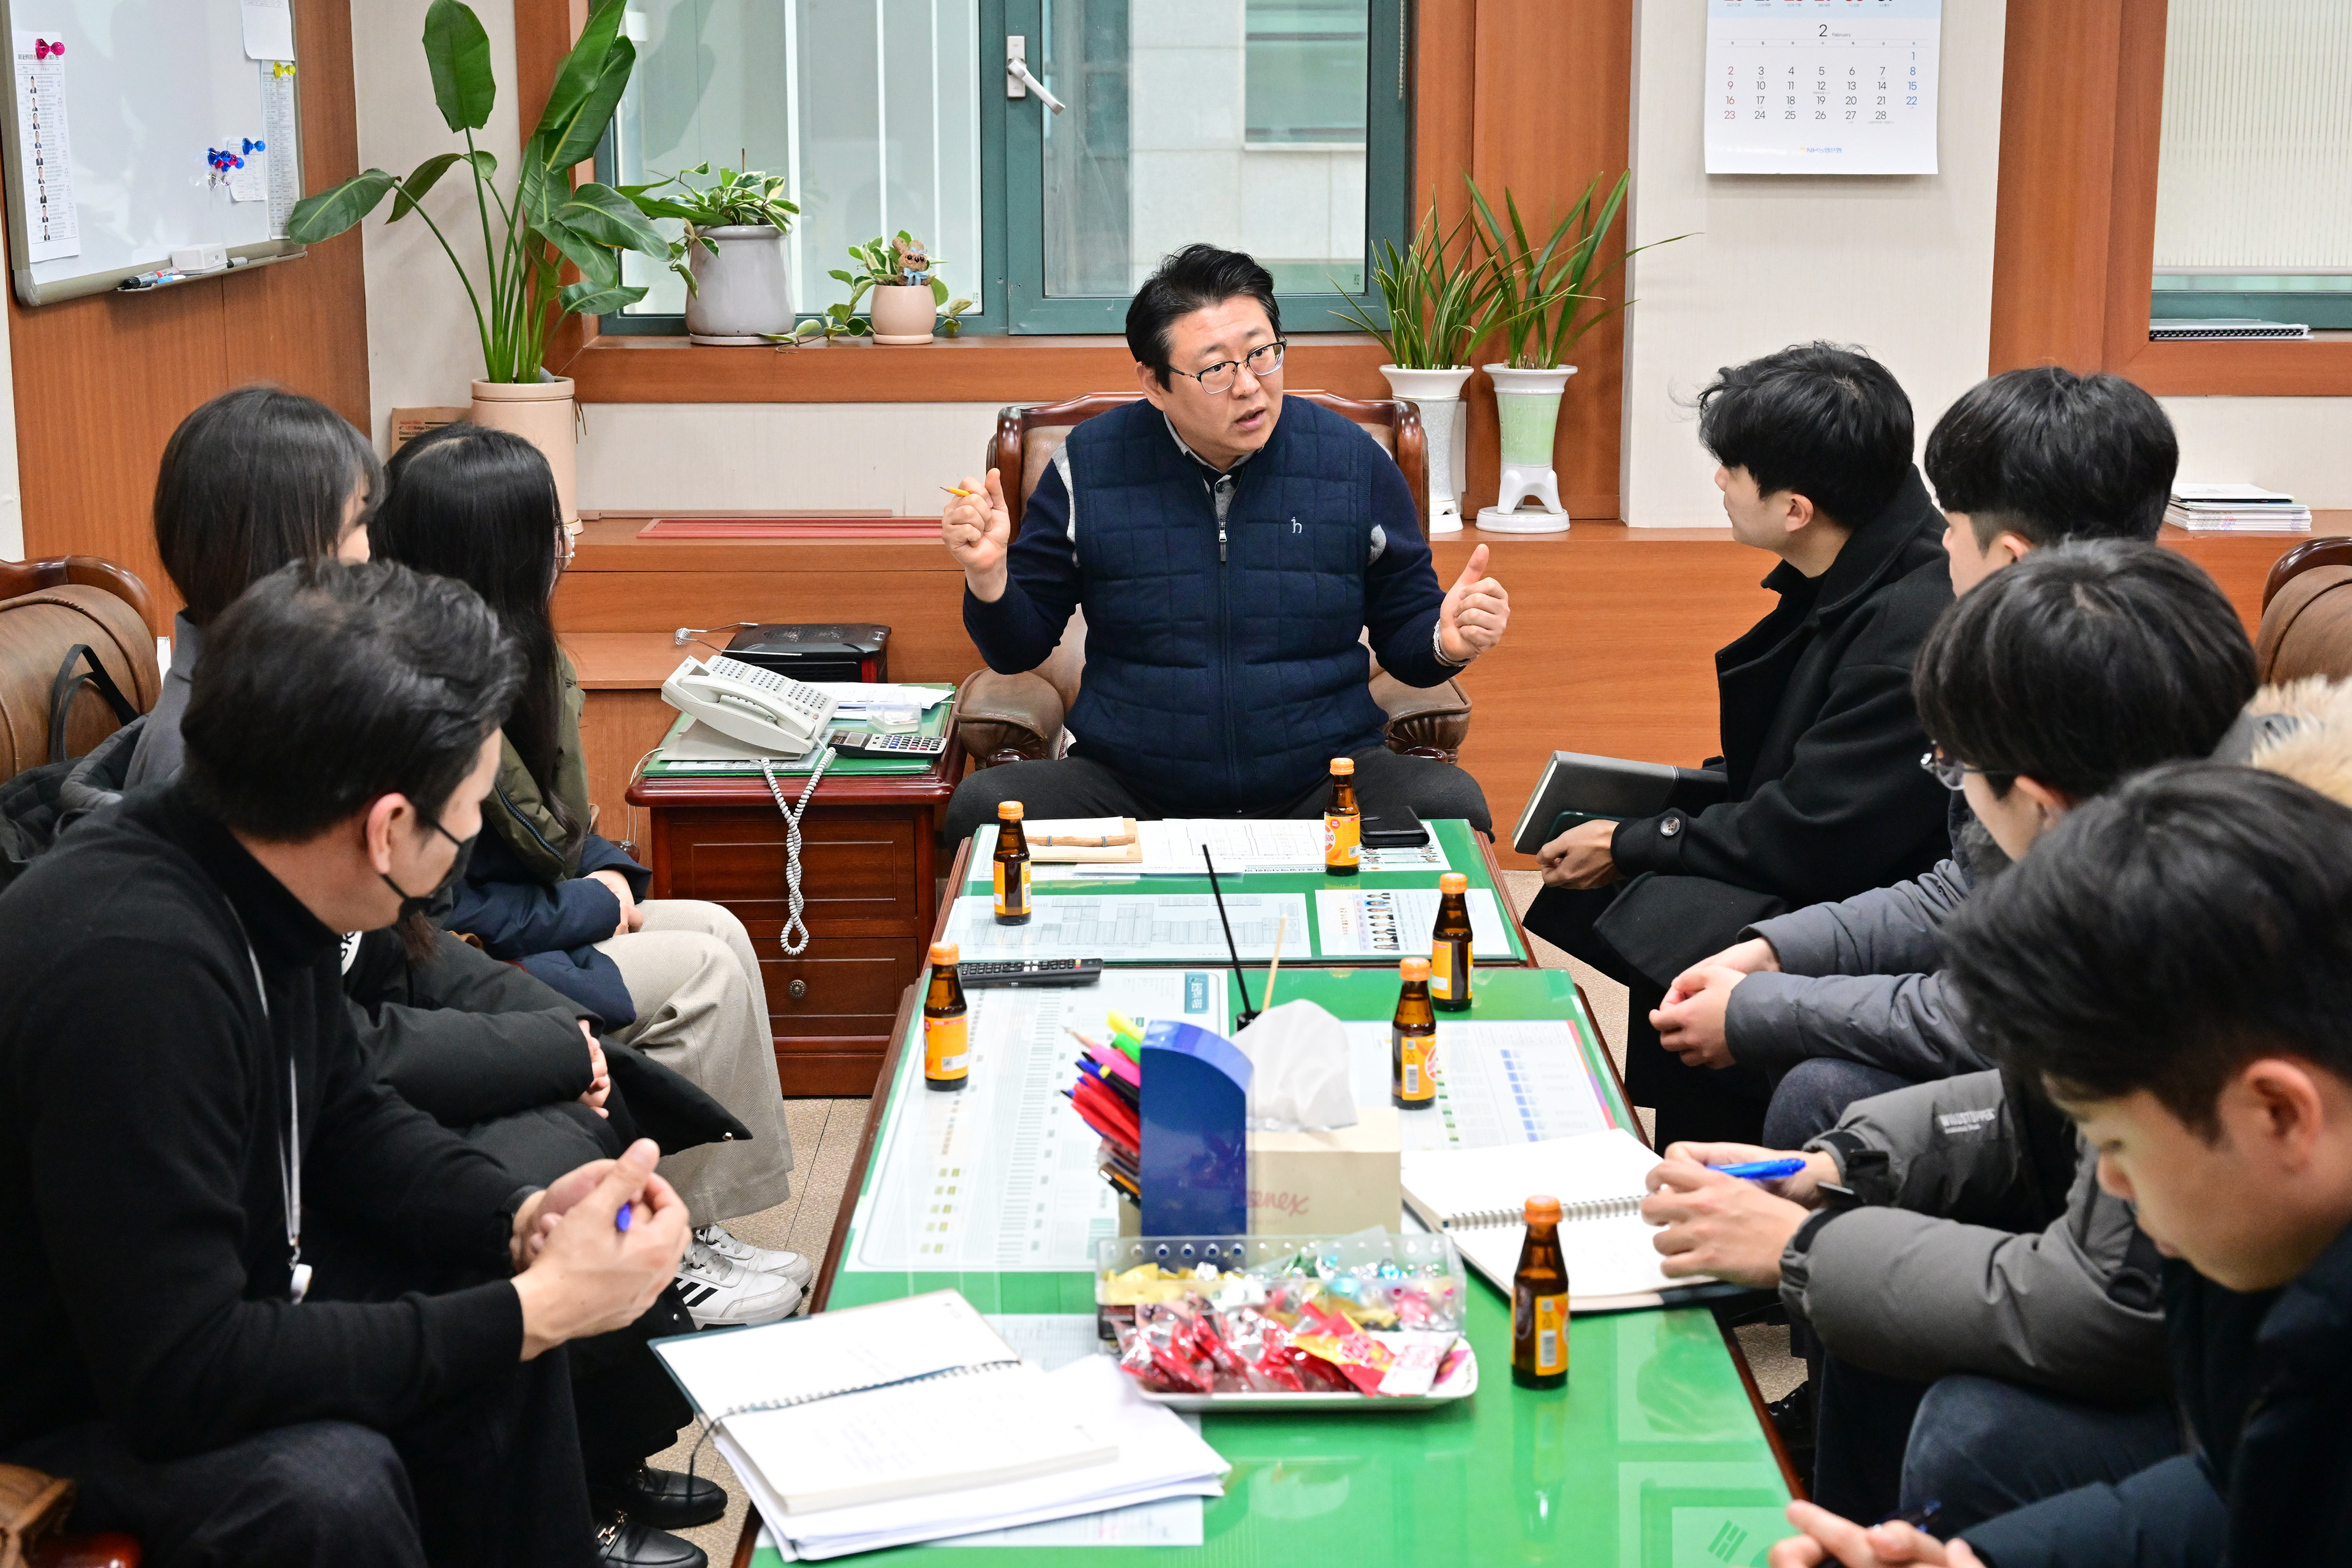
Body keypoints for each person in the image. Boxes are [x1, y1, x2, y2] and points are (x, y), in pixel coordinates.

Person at [0, 559, 691, 1568]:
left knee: (489, 1308)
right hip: (67, 1398)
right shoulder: (131, 975)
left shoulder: (251, 871)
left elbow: (345, 1117)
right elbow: (178, 1373)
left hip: (192, 1319)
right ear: (386, 829)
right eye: (463, 825)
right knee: (333, 1488)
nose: (460, 859)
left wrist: (519, 1217)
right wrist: (526, 1314)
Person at [1637, 543, 2268, 1530]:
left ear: (2047, 805)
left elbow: (2113, 1296)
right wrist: (1838, 1168)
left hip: (2239, 1399)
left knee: (1972, 1424)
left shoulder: (2198, 945)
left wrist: (1806, 1246)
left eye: (1959, 769)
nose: (1959, 796)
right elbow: (2035, 1101)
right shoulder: (2184, 840)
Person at [1766, 764, 2352, 1567]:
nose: (2108, 1185)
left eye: (2116, 1148)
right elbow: (2240, 1487)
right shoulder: (2251, 1212)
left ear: (2280, 1112)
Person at [1649, 367, 2183, 1145]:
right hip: (2039, 1039)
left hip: (2106, 1095)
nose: (1938, 540)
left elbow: (2012, 1013)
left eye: (1954, 520)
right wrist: (1773, 955)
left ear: (2008, 555)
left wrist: (1764, 1004)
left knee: (1822, 1088)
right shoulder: (2088, 645)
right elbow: (1961, 888)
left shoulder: (2093, 705)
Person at [369, 422, 806, 1324]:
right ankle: (666, 1248)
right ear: (499, 548)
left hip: (521, 919)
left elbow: (570, 831)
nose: (567, 542)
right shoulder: (423, 687)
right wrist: (593, 901)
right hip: (473, 954)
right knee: (705, 971)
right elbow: (448, 908)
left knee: (717, 923)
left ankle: (702, 1219)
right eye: (551, 526)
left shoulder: (515, 649)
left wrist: (616, 885)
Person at [1522, 343, 1952, 1148]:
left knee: (1682, 925)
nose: (1720, 481)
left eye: (1733, 467)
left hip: (1881, 897)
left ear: (1796, 507)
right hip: (1839, 845)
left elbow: (1815, 829)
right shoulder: (1867, 549)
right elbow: (1791, 768)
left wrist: (1636, 840)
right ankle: (1675, 1146)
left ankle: (1710, 1163)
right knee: (1637, 889)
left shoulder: (1909, 629)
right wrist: (1649, 814)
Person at [937, 243, 1508, 845]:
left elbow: (1406, 635)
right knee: (986, 807)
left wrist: (1444, 638)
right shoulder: (1089, 465)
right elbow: (1017, 647)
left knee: (1448, 804)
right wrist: (989, 577)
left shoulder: (1352, 462)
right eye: (1214, 369)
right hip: (1129, 784)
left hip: (1325, 782)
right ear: (1155, 384)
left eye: (1262, 354)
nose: (1248, 387)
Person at [126, 385, 381, 788]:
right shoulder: (203, 761)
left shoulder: (290, 688)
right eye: (358, 523)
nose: (367, 551)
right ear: (282, 546)